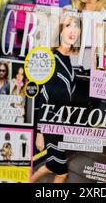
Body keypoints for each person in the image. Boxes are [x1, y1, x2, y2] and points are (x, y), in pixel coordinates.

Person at [31, 12, 81, 183]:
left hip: (61, 125)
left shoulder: (68, 60)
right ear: (59, 30)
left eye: (76, 25)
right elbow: (43, 97)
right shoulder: (52, 59)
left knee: (52, 165)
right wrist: (40, 132)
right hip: (50, 126)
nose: (73, 30)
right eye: (68, 25)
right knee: (62, 172)